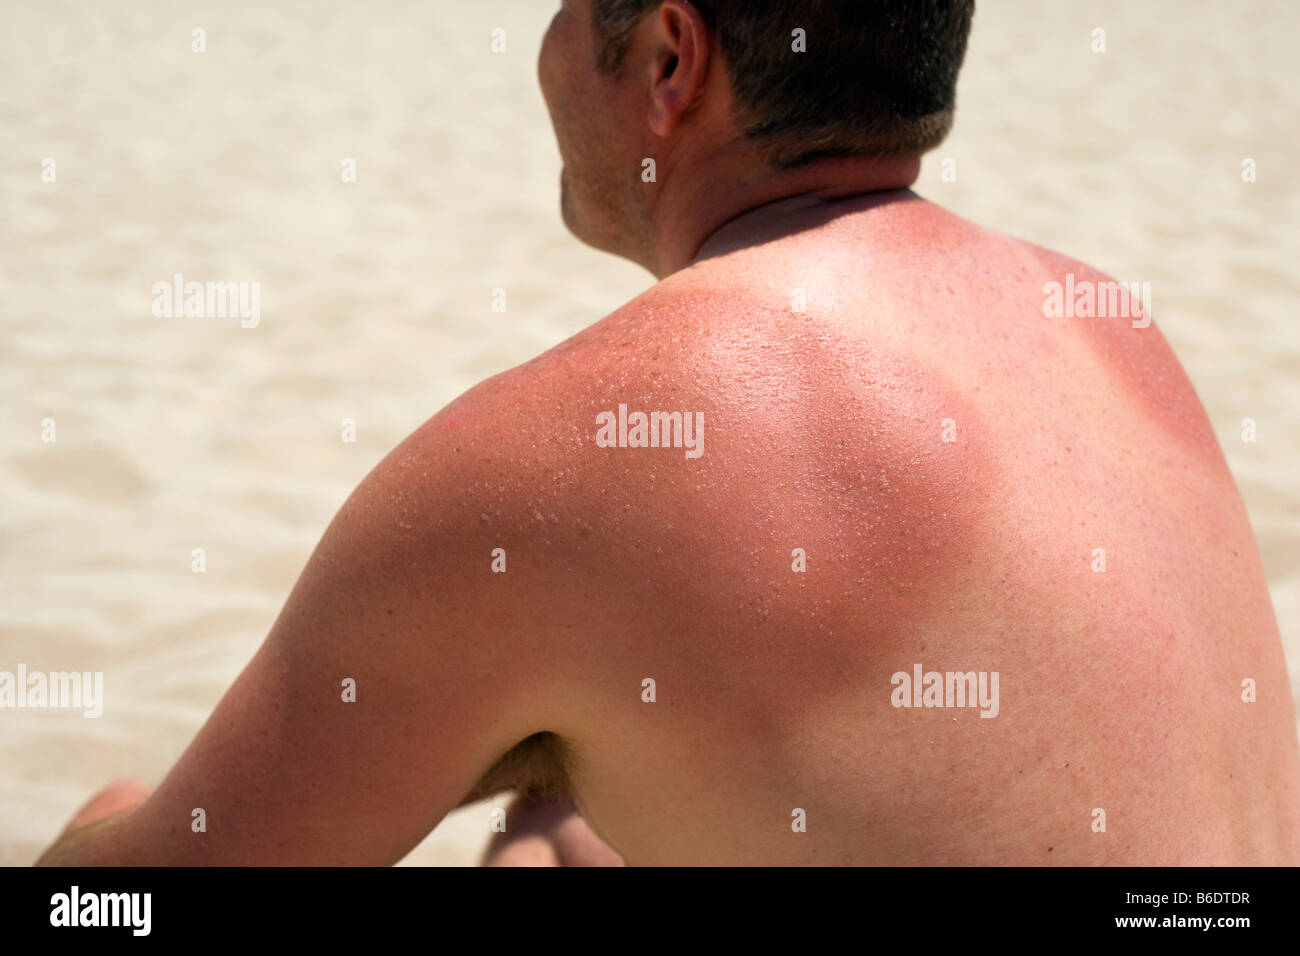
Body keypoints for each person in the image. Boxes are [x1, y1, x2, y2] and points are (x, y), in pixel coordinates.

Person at [38, 0, 1300, 866]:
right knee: (570, 825)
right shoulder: (1113, 331)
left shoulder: (570, 461)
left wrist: (103, 825)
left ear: (667, 61)